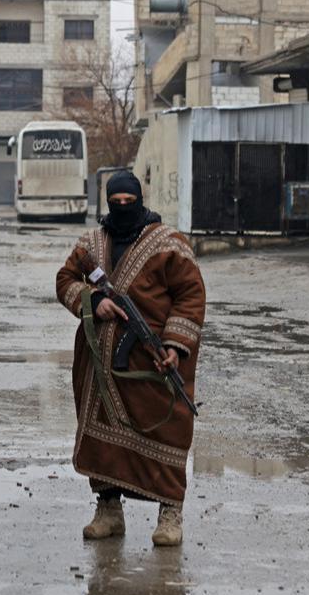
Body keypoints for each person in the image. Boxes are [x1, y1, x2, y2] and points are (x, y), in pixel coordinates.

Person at [54, 170, 205, 547]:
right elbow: (65, 280)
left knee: (167, 430)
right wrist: (93, 300)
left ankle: (170, 513)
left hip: (153, 363)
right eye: (116, 202)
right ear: (108, 202)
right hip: (100, 366)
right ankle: (108, 511)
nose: (123, 208)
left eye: (129, 202)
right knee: (103, 442)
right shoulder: (91, 244)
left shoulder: (170, 243)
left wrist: (173, 344)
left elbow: (191, 294)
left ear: (140, 200)